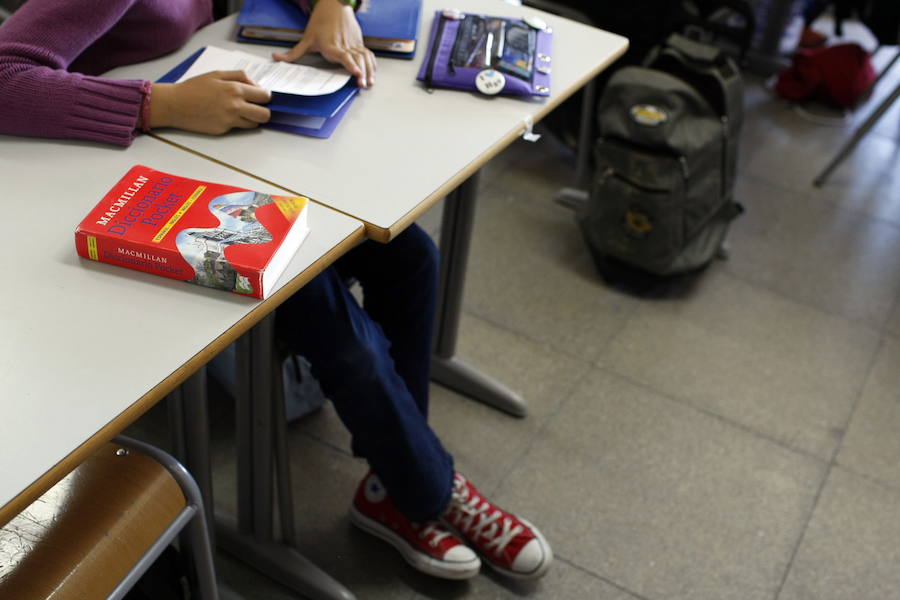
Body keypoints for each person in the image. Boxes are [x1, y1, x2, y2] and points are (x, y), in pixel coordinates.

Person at [0, 0, 553, 581]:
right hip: (119, 175)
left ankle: (396, 482)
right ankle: (428, 495)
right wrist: (156, 104)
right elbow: (6, 80)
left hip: (214, 152)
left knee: (411, 256)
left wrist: (330, 6)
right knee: (344, 335)